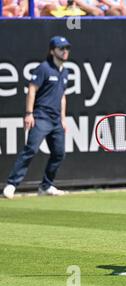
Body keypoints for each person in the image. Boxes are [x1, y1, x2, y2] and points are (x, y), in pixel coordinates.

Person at [2, 36, 71, 200]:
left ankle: (46, 186)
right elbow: (32, 89)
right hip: (41, 117)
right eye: (61, 48)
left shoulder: (66, 71)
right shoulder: (44, 68)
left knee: (59, 153)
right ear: (52, 51)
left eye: (67, 48)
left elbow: (62, 96)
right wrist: (29, 113)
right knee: (30, 150)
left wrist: (63, 118)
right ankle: (11, 185)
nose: (65, 51)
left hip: (56, 120)